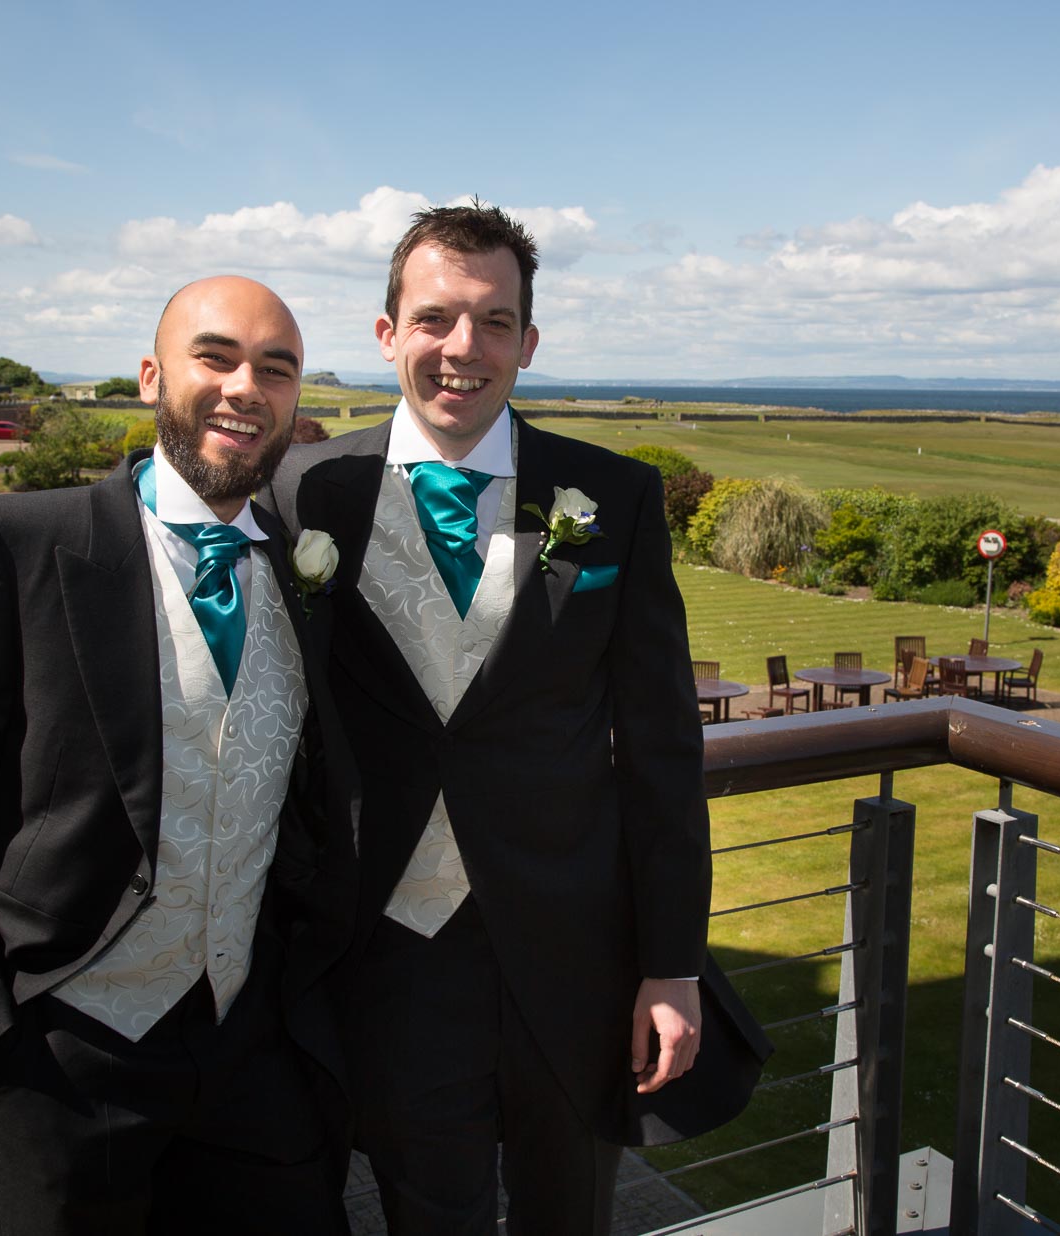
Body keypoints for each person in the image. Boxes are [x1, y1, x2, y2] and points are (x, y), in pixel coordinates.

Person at [263, 203, 768, 1235]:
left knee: (568, 1215)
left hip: (576, 955)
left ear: (528, 343)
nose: (464, 348)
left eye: (495, 322)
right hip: (389, 953)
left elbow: (663, 751)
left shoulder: (611, 497)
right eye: (437, 318)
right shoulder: (306, 490)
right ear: (387, 334)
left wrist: (670, 965)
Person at [0, 276, 356, 1236]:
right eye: (215, 357)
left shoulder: (306, 567)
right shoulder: (13, 544)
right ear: (151, 377)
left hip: (250, 1045)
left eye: (277, 368)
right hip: (59, 1054)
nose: (246, 388)